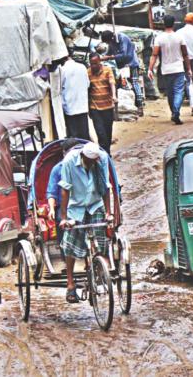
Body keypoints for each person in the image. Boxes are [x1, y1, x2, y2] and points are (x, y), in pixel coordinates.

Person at [57, 142, 111, 303]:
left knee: (101, 243)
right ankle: (70, 284)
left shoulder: (102, 159)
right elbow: (65, 189)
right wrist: (64, 217)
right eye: (89, 161)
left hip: (96, 204)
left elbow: (105, 187)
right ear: (82, 156)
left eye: (94, 161)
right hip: (76, 206)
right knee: (70, 245)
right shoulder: (69, 162)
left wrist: (108, 213)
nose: (91, 164)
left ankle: (98, 272)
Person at [149, 15, 192, 125]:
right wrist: (189, 68)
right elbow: (185, 54)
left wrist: (150, 69)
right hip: (178, 68)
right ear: (173, 24)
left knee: (170, 92)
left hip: (166, 69)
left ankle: (174, 112)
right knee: (179, 91)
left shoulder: (159, 38)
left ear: (164, 24)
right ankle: (176, 112)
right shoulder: (179, 37)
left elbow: (154, 55)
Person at [100, 31, 143, 114]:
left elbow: (124, 54)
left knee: (134, 83)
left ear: (111, 38)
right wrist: (102, 57)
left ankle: (140, 105)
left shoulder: (122, 38)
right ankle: (130, 106)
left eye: (107, 42)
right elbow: (108, 53)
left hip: (131, 63)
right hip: (122, 66)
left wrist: (110, 57)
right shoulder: (111, 42)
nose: (108, 43)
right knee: (125, 85)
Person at [45, 139, 81, 235]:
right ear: (65, 154)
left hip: (84, 204)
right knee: (62, 222)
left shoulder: (86, 165)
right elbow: (51, 192)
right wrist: (51, 209)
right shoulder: (57, 169)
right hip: (65, 206)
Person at [87, 53, 116, 155]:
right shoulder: (88, 73)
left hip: (107, 107)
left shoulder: (107, 70)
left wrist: (114, 95)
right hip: (95, 108)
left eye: (95, 63)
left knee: (108, 133)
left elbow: (112, 83)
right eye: (91, 64)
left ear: (100, 62)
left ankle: (106, 154)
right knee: (101, 134)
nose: (93, 66)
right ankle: (106, 156)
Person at [59, 55, 91, 140]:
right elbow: (88, 84)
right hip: (82, 106)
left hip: (69, 107)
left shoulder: (62, 70)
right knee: (84, 134)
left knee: (74, 136)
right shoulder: (82, 67)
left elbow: (59, 88)